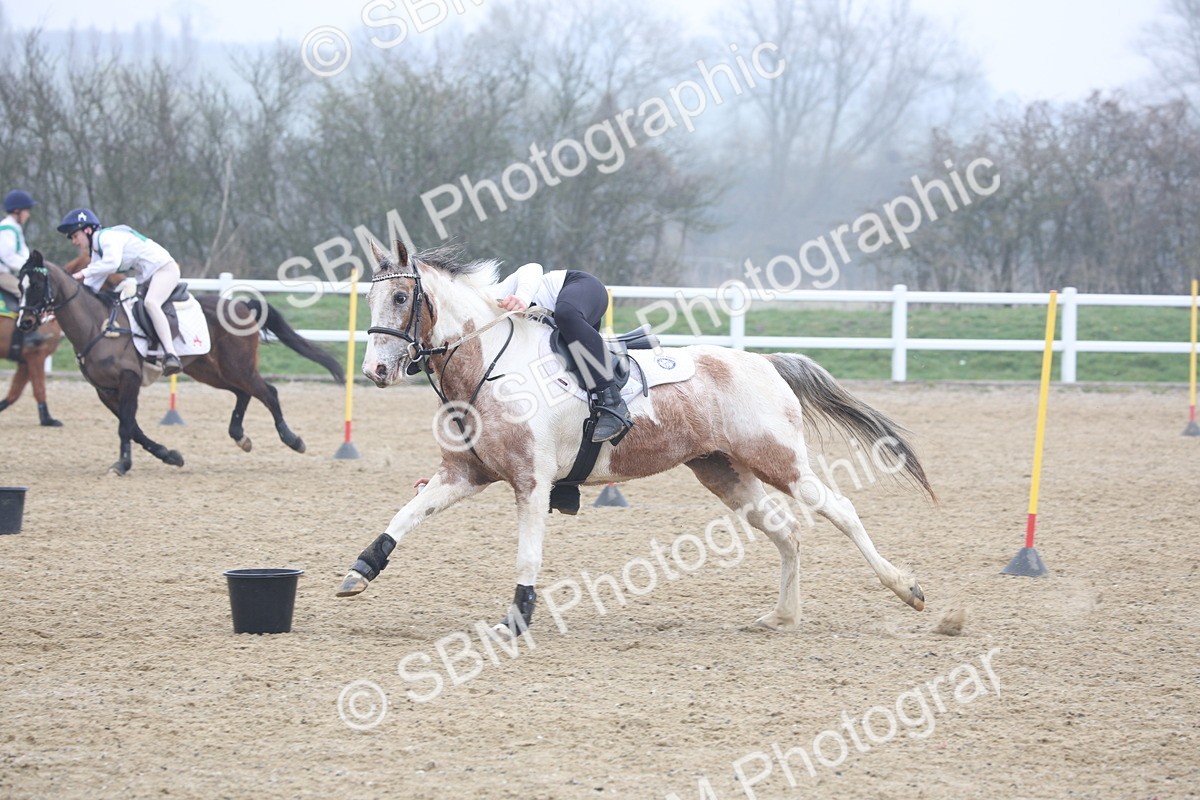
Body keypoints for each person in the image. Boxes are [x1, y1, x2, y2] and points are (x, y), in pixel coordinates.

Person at [491, 263, 632, 443]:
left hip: (581, 288)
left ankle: (613, 403)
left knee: (565, 314)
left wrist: (523, 298)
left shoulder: (493, 294)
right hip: (572, 325)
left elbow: (533, 268)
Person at [57, 208, 184, 376]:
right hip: (148, 277)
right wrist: (63, 307)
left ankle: (171, 354)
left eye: (75, 236)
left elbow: (111, 263)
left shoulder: (106, 237)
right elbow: (90, 286)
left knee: (151, 303)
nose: (74, 241)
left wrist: (82, 272)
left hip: (165, 270)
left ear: (87, 230)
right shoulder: (96, 250)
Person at [0, 190, 35, 303]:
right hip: (2, 274)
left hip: (7, 272)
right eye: (26, 211)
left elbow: (23, 253)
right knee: (26, 292)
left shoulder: (14, 228)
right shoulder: (6, 229)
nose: (28, 215)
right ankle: (23, 321)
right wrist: (29, 267)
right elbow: (8, 257)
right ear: (17, 211)